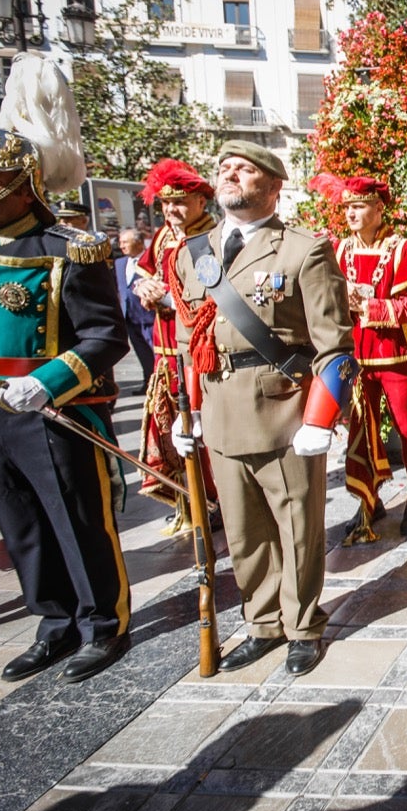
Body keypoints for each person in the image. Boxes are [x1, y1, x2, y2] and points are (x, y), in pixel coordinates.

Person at [0, 55, 133, 683]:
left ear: (24, 184)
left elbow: (105, 335)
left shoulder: (71, 249)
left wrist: (46, 381)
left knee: (77, 521)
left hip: (53, 411)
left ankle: (103, 625)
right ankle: (54, 623)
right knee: (21, 528)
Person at [168, 140, 357, 677]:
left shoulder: (303, 250)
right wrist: (191, 415)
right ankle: (262, 622)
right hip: (220, 407)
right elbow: (192, 340)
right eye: (225, 168)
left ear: (273, 187)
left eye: (245, 170)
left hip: (283, 408)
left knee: (297, 528)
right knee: (244, 532)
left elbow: (335, 346)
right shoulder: (194, 252)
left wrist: (320, 420)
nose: (230, 176)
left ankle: (302, 626)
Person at [317, 174, 407, 540]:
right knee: (360, 433)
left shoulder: (404, 249)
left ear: (379, 208)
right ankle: (368, 499)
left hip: (396, 356)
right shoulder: (339, 250)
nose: (351, 213)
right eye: (347, 207)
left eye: (359, 206)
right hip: (355, 358)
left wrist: (368, 305)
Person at [133, 158, 219, 531]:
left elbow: (211, 298)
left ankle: (213, 501)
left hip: (198, 350)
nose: (171, 210)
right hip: (164, 350)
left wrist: (166, 298)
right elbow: (144, 276)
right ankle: (188, 499)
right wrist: (145, 289)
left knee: (202, 427)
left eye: (180, 201)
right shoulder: (163, 236)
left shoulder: (211, 238)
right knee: (172, 430)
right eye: (166, 203)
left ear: (202, 201)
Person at [115, 228, 156, 389]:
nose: (121, 246)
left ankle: (163, 383)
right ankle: (148, 382)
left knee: (155, 352)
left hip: (149, 317)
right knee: (142, 353)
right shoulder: (120, 263)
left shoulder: (151, 260)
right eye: (120, 242)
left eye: (125, 242)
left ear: (139, 242)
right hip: (130, 318)